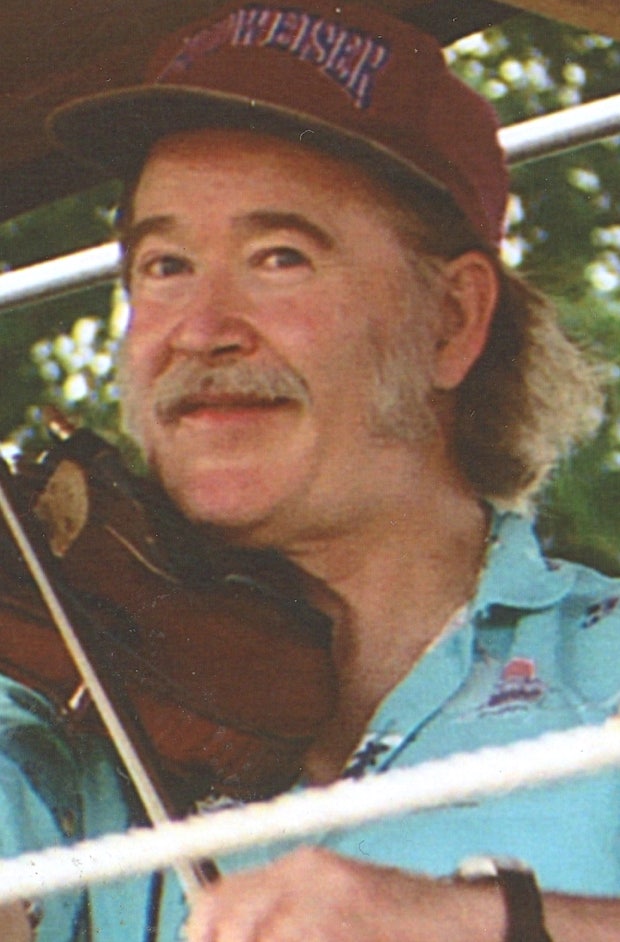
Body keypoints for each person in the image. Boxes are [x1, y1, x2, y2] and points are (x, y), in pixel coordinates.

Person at [2, 1, 620, 939]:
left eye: (279, 257)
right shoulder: (53, 727)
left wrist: (478, 923)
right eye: (164, 265)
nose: (200, 330)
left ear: (451, 321)